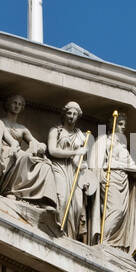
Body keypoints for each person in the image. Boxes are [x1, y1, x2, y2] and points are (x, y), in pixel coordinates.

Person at [89, 112, 136, 249]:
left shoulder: (124, 149)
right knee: (116, 210)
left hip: (123, 183)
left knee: (120, 212)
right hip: (110, 179)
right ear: (112, 125)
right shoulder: (104, 141)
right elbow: (94, 161)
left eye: (124, 126)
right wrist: (100, 176)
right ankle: (103, 241)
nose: (122, 128)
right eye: (120, 124)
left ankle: (109, 242)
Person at [0, 93, 58, 207]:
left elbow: (33, 141)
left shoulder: (22, 129)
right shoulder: (0, 122)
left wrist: (41, 146)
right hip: (3, 151)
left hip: (17, 153)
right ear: (8, 104)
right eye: (14, 103)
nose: (17, 106)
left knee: (45, 165)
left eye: (20, 104)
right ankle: (10, 191)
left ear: (22, 108)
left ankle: (43, 200)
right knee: (23, 155)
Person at [48, 101, 95, 240]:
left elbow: (81, 161)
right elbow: (52, 150)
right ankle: (57, 230)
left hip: (75, 172)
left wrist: (84, 172)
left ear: (78, 116)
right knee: (62, 200)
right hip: (59, 167)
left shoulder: (81, 136)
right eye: (69, 113)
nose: (72, 116)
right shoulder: (55, 131)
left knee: (77, 206)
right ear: (64, 114)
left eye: (75, 114)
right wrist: (75, 152)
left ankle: (70, 236)